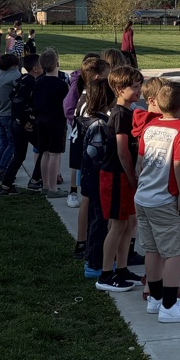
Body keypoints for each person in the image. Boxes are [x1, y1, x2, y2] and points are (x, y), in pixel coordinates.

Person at [133, 81, 180, 322]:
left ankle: (155, 297)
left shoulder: (149, 127)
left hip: (143, 197)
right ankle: (170, 306)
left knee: (151, 249)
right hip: (165, 199)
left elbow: (140, 161)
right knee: (174, 251)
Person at [95, 65, 144, 292]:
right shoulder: (119, 115)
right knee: (117, 225)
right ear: (119, 88)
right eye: (135, 87)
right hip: (116, 175)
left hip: (125, 176)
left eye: (140, 86)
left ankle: (122, 268)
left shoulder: (130, 112)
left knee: (130, 223)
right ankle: (105, 274)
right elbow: (122, 150)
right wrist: (132, 176)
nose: (139, 91)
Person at [68, 57, 111, 261]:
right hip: (86, 153)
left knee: (88, 198)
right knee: (89, 200)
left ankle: (83, 241)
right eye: (107, 75)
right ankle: (85, 242)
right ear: (96, 78)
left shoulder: (84, 95)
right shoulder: (91, 100)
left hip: (81, 149)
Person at [80, 77, 117, 280]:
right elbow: (96, 153)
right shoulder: (100, 125)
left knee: (97, 220)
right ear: (106, 99)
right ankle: (94, 263)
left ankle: (94, 258)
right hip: (97, 179)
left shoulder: (90, 120)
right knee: (99, 223)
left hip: (90, 178)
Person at [0, 54, 45, 195]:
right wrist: (25, 120)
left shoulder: (22, 79)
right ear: (36, 68)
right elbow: (18, 101)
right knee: (44, 149)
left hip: (15, 123)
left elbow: (12, 95)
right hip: (23, 124)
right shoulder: (30, 82)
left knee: (19, 155)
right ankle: (36, 179)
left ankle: (6, 185)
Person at [63, 52, 103, 207]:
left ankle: (87, 187)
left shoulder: (97, 87)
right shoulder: (78, 83)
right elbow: (68, 106)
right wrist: (75, 121)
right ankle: (73, 191)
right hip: (79, 126)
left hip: (91, 127)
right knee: (77, 160)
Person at [34, 47, 69, 195]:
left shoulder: (38, 82)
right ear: (57, 63)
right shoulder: (62, 84)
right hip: (56, 121)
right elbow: (67, 106)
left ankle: (46, 185)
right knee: (55, 153)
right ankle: (53, 188)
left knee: (45, 152)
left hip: (41, 119)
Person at [0, 54, 22, 180]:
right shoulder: (14, 75)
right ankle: (4, 169)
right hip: (9, 114)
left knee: (3, 143)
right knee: (12, 144)